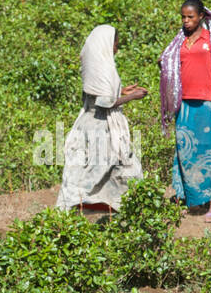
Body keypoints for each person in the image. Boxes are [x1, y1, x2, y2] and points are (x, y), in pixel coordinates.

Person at [159, 0, 211, 223]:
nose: (186, 21)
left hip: (205, 104)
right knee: (185, 151)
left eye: (190, 17)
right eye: (183, 17)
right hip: (184, 104)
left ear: (201, 17)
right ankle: (189, 199)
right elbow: (168, 61)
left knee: (209, 151)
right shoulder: (179, 41)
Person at [55, 24, 147, 214]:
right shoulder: (104, 67)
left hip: (87, 124)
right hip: (102, 126)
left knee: (84, 171)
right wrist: (133, 96)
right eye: (115, 43)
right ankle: (132, 210)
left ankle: (72, 210)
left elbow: (97, 94)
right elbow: (105, 102)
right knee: (122, 168)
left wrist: (121, 91)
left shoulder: (93, 66)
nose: (116, 48)